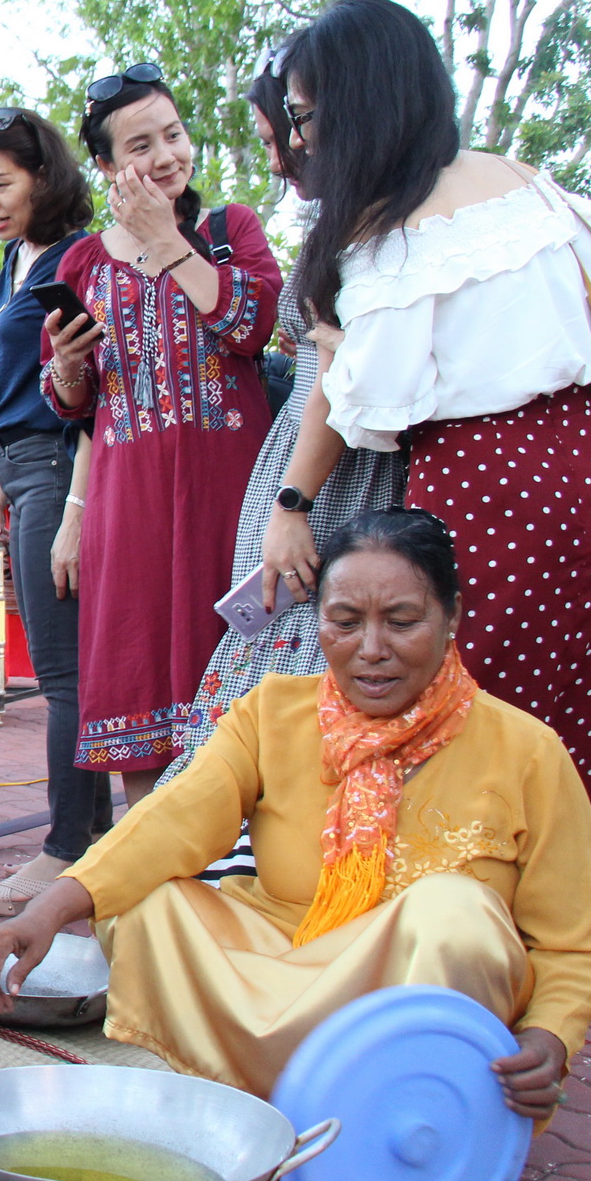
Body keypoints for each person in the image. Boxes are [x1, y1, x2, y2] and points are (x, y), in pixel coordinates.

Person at [0, 510, 591, 1113]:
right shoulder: (274, 710)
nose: (370, 648)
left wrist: (551, 1037)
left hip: (413, 1013)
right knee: (142, 904)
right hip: (282, 962)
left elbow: (573, 945)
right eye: (344, 621)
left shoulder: (528, 751)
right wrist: (50, 908)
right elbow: (172, 821)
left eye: (401, 620)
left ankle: (391, 1109)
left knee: (457, 914)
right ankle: (263, 1096)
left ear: (452, 618)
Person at [262, 0, 591, 816]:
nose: (305, 139)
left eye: (307, 116)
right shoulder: (524, 181)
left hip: (486, 484)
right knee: (561, 713)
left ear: (357, 104)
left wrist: (328, 370)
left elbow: (368, 405)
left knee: (454, 721)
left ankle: (453, 916)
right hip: (590, 466)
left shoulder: (393, 232)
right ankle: (551, 918)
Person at [165, 47, 408, 789]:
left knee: (310, 645)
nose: (282, 158)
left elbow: (337, 381)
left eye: (286, 133)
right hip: (304, 462)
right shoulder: (351, 222)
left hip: (336, 475)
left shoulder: (373, 227)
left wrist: (292, 502)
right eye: (274, 139)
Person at [42, 64, 279, 803]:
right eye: (141, 144)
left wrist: (168, 242)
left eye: (174, 133)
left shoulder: (227, 230)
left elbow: (252, 326)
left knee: (247, 696)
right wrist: (70, 363)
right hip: (129, 507)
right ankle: (149, 890)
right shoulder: (81, 261)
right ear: (109, 168)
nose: (168, 154)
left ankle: (243, 888)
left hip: (232, 501)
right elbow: (73, 404)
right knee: (135, 681)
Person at [0, 105, 112, 914]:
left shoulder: (78, 258)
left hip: (58, 463)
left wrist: (79, 506)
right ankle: (82, 844)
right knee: (66, 668)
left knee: (62, 671)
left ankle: (64, 849)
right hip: (18, 462)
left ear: (43, 176)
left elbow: (96, 393)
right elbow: (10, 379)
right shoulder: (14, 259)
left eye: (2, 181)